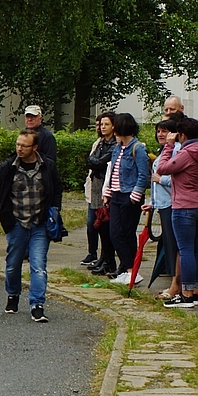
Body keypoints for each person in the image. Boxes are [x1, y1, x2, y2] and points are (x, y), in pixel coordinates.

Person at [0, 129, 63, 323]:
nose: (20, 149)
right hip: (17, 223)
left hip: (40, 224)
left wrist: (54, 211)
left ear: (35, 148)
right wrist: (4, 216)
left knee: (39, 266)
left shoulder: (47, 166)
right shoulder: (9, 167)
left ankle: (37, 305)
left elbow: (57, 189)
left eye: (24, 145)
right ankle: (13, 294)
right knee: (13, 265)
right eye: (18, 144)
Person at [102, 113, 150, 285]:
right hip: (116, 195)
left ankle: (131, 271)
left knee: (126, 233)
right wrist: (107, 192)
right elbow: (113, 172)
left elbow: (144, 175)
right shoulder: (117, 148)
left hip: (129, 196)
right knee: (115, 233)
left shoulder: (138, 148)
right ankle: (129, 269)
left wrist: (134, 196)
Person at [156, 118, 198, 307]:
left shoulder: (186, 153)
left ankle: (187, 293)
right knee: (194, 249)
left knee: (185, 250)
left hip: (184, 207)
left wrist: (168, 146)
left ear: (182, 135)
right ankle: (195, 290)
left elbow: (162, 168)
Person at [144, 119, 180, 300]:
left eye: (165, 131)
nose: (160, 134)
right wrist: (152, 203)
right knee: (170, 245)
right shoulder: (163, 151)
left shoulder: (177, 150)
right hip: (163, 205)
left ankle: (177, 286)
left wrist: (160, 179)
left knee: (175, 247)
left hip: (174, 205)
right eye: (158, 131)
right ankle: (175, 283)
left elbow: (178, 181)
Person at [85, 112, 118, 277]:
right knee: (98, 224)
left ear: (113, 126)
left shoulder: (114, 144)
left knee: (104, 225)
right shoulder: (101, 142)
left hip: (105, 185)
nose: (103, 127)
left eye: (106, 124)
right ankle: (104, 258)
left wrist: (96, 162)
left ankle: (109, 260)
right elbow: (91, 159)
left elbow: (101, 161)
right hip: (96, 185)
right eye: (101, 124)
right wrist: (95, 162)